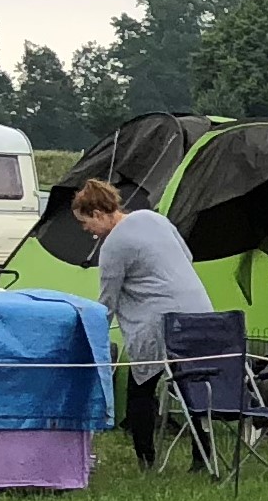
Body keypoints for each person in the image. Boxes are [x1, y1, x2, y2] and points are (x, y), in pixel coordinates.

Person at [73, 177, 212, 472]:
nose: (88, 232)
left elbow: (107, 301)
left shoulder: (114, 245)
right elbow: (186, 255)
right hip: (200, 314)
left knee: (141, 389)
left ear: (98, 214)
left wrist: (89, 336)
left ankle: (145, 459)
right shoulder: (152, 218)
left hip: (159, 323)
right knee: (191, 386)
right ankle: (204, 457)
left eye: (86, 224)